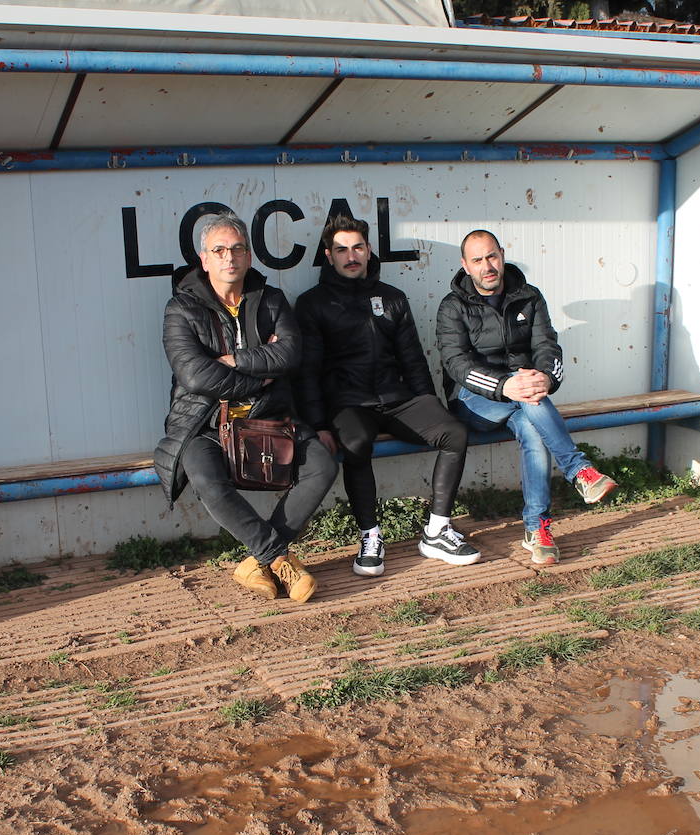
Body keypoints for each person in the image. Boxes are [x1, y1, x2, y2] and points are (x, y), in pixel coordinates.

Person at [154, 214, 337, 602]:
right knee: (205, 477)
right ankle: (275, 556)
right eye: (219, 250)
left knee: (321, 464)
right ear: (204, 259)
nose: (229, 258)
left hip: (270, 417)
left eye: (237, 249)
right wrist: (262, 373)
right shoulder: (180, 309)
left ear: (249, 256)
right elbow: (196, 376)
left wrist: (234, 360)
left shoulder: (271, 299)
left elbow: (290, 354)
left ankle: (256, 563)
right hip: (202, 421)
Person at [297, 215, 479, 575]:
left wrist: (429, 403)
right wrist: (317, 423)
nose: (351, 256)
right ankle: (370, 535)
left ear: (368, 251)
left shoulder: (391, 297)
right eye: (342, 250)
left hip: (396, 397)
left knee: (454, 432)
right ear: (328, 255)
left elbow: (412, 358)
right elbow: (307, 372)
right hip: (348, 403)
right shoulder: (312, 304)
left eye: (358, 248)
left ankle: (437, 530)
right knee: (357, 442)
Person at [436, 229, 616, 565]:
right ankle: (578, 471)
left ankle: (538, 530)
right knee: (528, 397)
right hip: (474, 400)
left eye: (492, 256)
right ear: (465, 265)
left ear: (502, 254)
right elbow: (456, 364)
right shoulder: (453, 307)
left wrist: (545, 377)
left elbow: (548, 346)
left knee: (533, 420)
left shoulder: (529, 296)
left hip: (524, 396)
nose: (487, 266)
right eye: (477, 260)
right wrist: (504, 386)